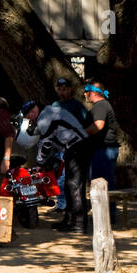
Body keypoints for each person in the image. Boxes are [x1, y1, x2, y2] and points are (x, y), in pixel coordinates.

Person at [23, 99, 90, 232]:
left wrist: (39, 163)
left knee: (75, 186)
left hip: (78, 147)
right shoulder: (50, 113)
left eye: (29, 114)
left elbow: (45, 144)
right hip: (74, 147)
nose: (30, 119)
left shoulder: (44, 118)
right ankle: (69, 220)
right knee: (68, 185)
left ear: (35, 110)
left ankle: (79, 223)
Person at [84, 80, 119, 224]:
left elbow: (98, 125)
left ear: (93, 93)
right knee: (103, 183)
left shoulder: (101, 105)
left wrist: (81, 133)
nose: (84, 94)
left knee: (102, 184)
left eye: (86, 91)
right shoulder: (103, 105)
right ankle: (105, 216)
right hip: (102, 150)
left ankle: (106, 217)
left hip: (103, 151)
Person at [49, 77, 87, 212]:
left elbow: (84, 125)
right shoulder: (55, 105)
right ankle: (62, 203)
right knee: (59, 176)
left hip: (73, 147)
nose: (62, 92)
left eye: (64, 89)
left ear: (70, 89)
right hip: (58, 146)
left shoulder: (77, 105)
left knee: (69, 177)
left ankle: (69, 205)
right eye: (59, 89)